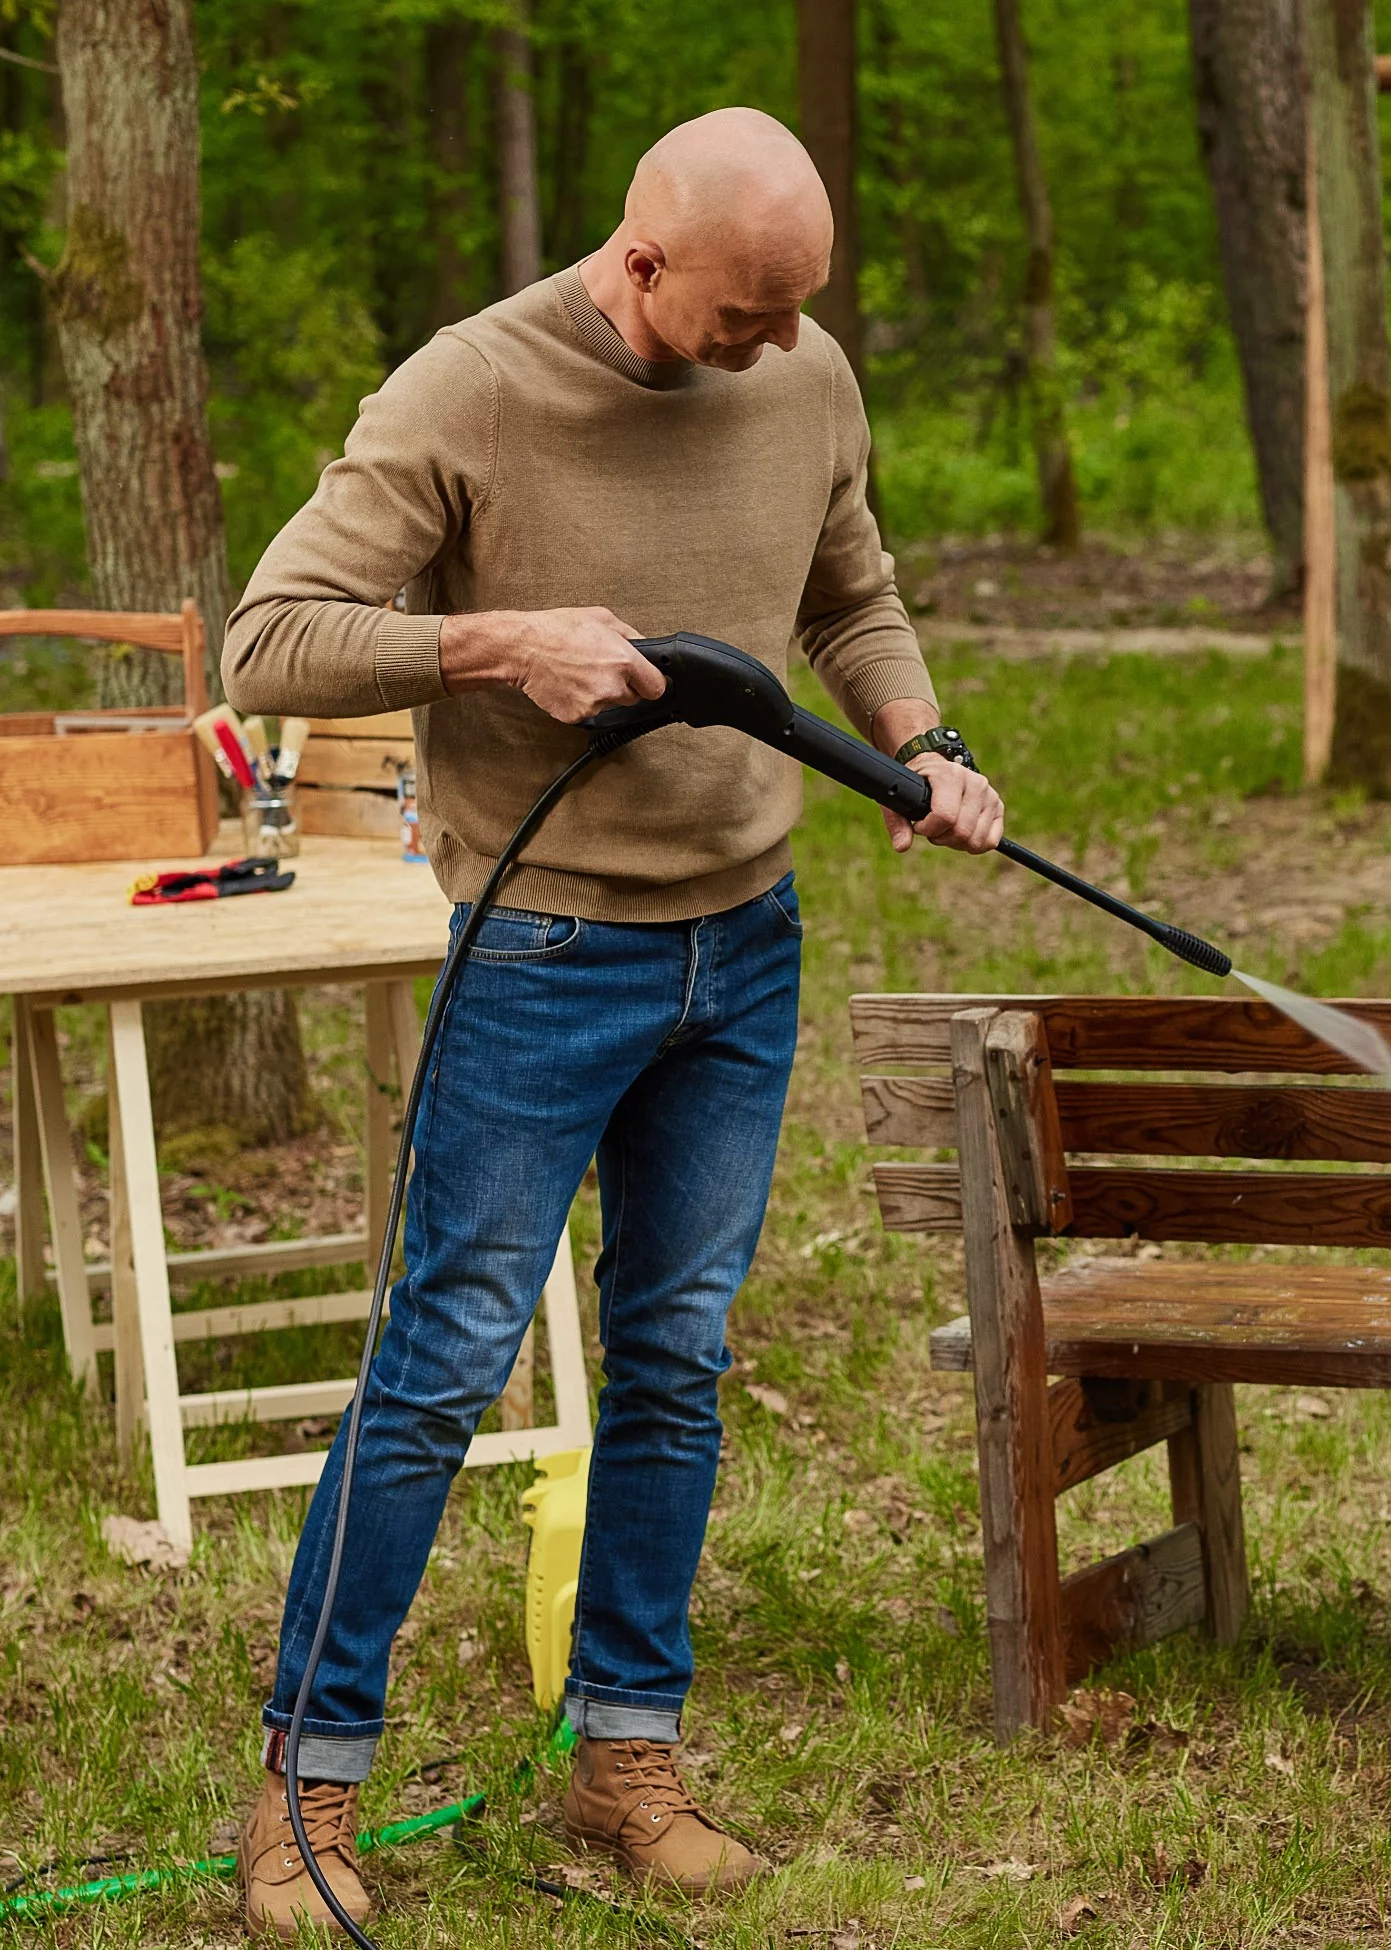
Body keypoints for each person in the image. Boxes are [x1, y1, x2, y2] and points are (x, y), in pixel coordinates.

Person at [219, 107, 1001, 1941]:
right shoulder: (468, 391)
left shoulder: (802, 372)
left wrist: (922, 740)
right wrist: (494, 642)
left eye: (796, 316)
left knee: (674, 1356)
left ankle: (626, 1753)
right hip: (541, 958)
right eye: (740, 317)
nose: (772, 352)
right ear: (642, 261)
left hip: (746, 950)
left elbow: (852, 585)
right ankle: (306, 1792)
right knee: (443, 1364)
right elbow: (269, 638)